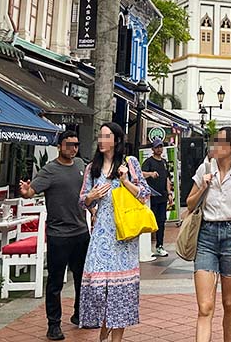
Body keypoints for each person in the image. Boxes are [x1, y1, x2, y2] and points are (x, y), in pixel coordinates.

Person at [78, 123, 151, 341]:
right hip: (101, 234)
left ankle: (115, 336)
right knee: (97, 287)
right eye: (100, 136)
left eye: (106, 136)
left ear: (117, 140)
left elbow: (145, 194)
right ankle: (104, 323)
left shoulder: (130, 163)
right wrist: (91, 197)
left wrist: (125, 181)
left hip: (124, 235)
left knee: (121, 291)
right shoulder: (92, 168)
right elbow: (82, 200)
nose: (101, 140)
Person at [186, 126, 231, 342]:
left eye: (221, 142)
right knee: (205, 306)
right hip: (205, 235)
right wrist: (203, 186)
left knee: (229, 302)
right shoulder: (205, 168)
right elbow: (189, 204)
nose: (215, 145)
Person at [19, 130, 88, 341]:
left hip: (81, 232)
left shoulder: (81, 166)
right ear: (59, 146)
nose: (73, 149)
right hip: (59, 234)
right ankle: (54, 324)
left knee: (81, 278)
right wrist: (26, 191)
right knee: (56, 282)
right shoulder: (49, 170)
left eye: (76, 145)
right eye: (69, 145)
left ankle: (80, 314)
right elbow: (32, 192)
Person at [141, 139, 172, 258]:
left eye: (161, 146)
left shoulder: (164, 162)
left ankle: (160, 245)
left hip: (162, 196)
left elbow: (167, 178)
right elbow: (140, 174)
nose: (159, 149)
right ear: (153, 149)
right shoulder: (148, 162)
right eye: (157, 147)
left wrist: (169, 193)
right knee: (149, 221)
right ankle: (146, 246)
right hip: (151, 198)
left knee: (161, 221)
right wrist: (150, 174)